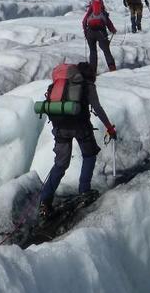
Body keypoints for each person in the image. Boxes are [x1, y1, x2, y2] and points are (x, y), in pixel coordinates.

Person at [39, 62, 116, 217]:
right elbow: (98, 108)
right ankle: (84, 191)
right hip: (80, 127)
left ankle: (45, 202)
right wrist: (109, 127)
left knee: (60, 164)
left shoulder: (59, 86)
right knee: (89, 155)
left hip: (60, 128)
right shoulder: (87, 86)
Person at [82, 0, 117, 74]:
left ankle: (92, 71)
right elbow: (108, 23)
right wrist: (113, 30)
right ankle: (112, 68)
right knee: (106, 50)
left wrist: (85, 32)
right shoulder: (103, 12)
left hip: (90, 33)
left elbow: (84, 22)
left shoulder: (90, 12)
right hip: (101, 32)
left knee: (93, 51)